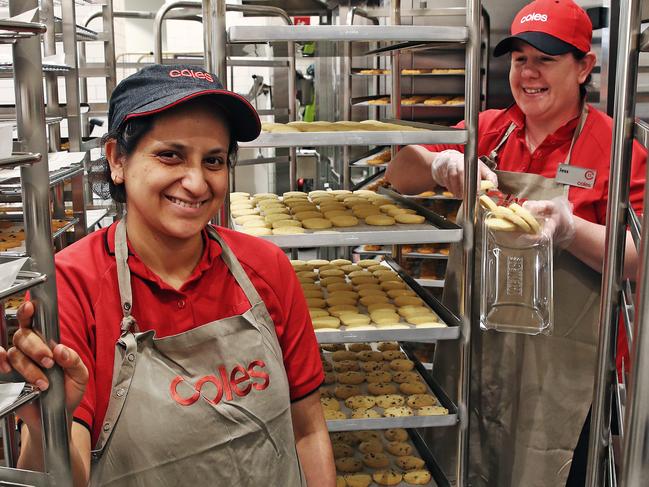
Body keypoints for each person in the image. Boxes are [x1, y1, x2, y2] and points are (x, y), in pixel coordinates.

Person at [0, 64, 335, 487]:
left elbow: (308, 431)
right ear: (117, 160)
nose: (196, 182)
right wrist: (50, 426)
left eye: (213, 160)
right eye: (170, 155)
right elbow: (67, 474)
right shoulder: (73, 285)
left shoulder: (266, 268)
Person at [386, 1, 646, 486]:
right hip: (480, 354)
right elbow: (398, 176)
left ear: (585, 66)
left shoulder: (617, 148)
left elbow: (638, 258)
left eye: (545, 59)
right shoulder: (486, 129)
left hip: (567, 373)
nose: (528, 72)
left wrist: (570, 231)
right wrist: (438, 164)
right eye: (520, 58)